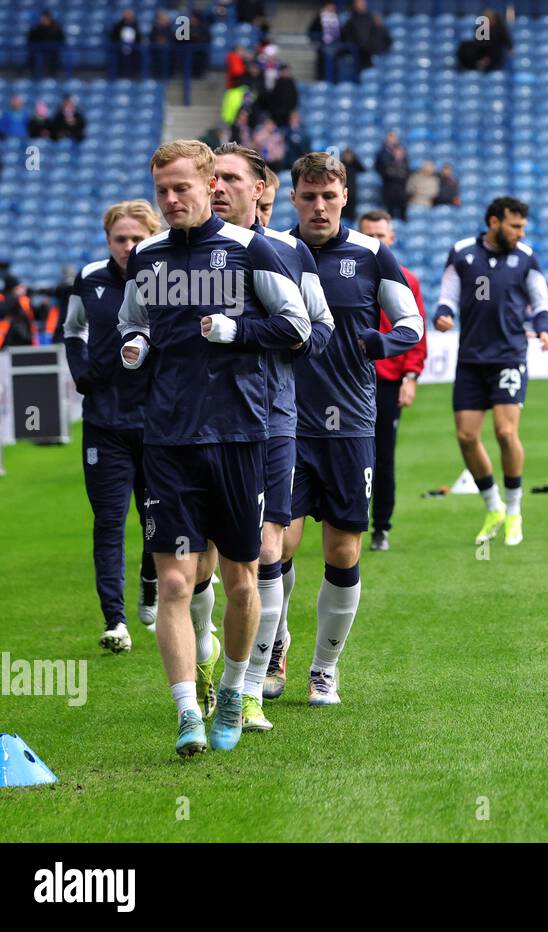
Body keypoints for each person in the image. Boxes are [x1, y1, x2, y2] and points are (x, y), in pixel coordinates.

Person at [116, 139, 312, 755]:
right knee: (174, 582)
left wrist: (238, 331)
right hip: (168, 438)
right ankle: (185, 714)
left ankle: (232, 688)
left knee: (240, 577)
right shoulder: (146, 257)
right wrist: (135, 347)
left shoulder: (250, 249)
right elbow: (133, 322)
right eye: (162, 191)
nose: (171, 200)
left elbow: (299, 329)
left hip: (238, 436)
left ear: (210, 186)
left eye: (182, 188)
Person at [281, 150, 423, 708]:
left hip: (351, 425)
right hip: (282, 422)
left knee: (342, 550)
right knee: (277, 545)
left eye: (329, 196)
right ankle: (274, 645)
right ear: (293, 198)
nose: (319, 206)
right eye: (308, 196)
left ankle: (323, 669)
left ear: (345, 198)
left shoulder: (371, 255)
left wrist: (381, 345)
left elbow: (410, 320)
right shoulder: (272, 250)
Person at [206, 145, 334, 730]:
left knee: (266, 549)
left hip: (270, 417)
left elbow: (319, 330)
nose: (216, 188)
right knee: (199, 558)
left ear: (262, 189)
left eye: (230, 178)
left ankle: (252, 684)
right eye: (212, 177)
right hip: (196, 426)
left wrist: (247, 336)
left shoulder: (287, 251)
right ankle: (210, 665)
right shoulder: (179, 253)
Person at [63, 200, 162, 653]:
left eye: (136, 239)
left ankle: (150, 577)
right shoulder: (89, 278)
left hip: (159, 422)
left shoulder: (168, 279)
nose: (128, 246)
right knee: (108, 521)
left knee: (154, 519)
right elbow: (73, 330)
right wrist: (82, 371)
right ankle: (114, 620)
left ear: (151, 236)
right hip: (105, 421)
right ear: (108, 241)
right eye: (120, 239)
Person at [434, 197, 548, 547]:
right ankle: (494, 506)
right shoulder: (461, 253)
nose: (520, 233)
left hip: (509, 355)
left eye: (522, 227)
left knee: (504, 433)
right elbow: (448, 296)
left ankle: (515, 508)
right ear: (494, 222)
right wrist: (443, 315)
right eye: (514, 226)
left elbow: (540, 301)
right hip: (471, 359)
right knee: (467, 437)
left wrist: (543, 327)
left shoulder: (526, 257)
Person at [357, 210, 427, 554]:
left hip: (387, 382)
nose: (377, 241)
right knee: (346, 455)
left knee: (383, 458)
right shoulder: (346, 272)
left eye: (381, 236)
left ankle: (380, 527)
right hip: (350, 379)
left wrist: (411, 377)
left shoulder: (406, 280)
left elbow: (418, 333)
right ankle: (342, 523)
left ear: (392, 239)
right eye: (370, 235)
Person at [374, 131, 410, 221]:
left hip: (401, 188)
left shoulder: (403, 156)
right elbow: (380, 168)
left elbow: (407, 171)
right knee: (390, 209)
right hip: (389, 187)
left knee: (402, 209)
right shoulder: (383, 153)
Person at [308, 2, 341, 81]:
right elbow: (311, 32)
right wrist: (318, 42)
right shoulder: (318, 18)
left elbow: (341, 33)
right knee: (322, 68)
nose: (332, 8)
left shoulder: (337, 18)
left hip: (335, 49)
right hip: (323, 48)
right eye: (330, 6)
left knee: (334, 69)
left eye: (333, 7)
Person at [27, 9, 66, 77]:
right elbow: (30, 39)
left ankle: (53, 75)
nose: (44, 19)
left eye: (46, 18)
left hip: (52, 52)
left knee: (54, 59)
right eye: (43, 18)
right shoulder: (36, 28)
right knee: (33, 58)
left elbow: (62, 39)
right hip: (39, 51)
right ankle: (34, 76)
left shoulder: (56, 28)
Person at [107, 10, 141, 79]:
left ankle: (134, 75)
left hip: (133, 49)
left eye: (130, 15)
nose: (128, 16)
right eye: (127, 14)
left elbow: (138, 37)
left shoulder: (135, 25)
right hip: (120, 48)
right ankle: (118, 76)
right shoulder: (118, 25)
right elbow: (113, 37)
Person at [339, 147, 363, 219]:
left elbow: (362, 169)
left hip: (352, 190)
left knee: (351, 212)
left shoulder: (354, 164)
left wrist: (355, 159)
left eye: (350, 155)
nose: (348, 157)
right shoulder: (341, 164)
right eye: (346, 155)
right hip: (342, 189)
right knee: (342, 209)